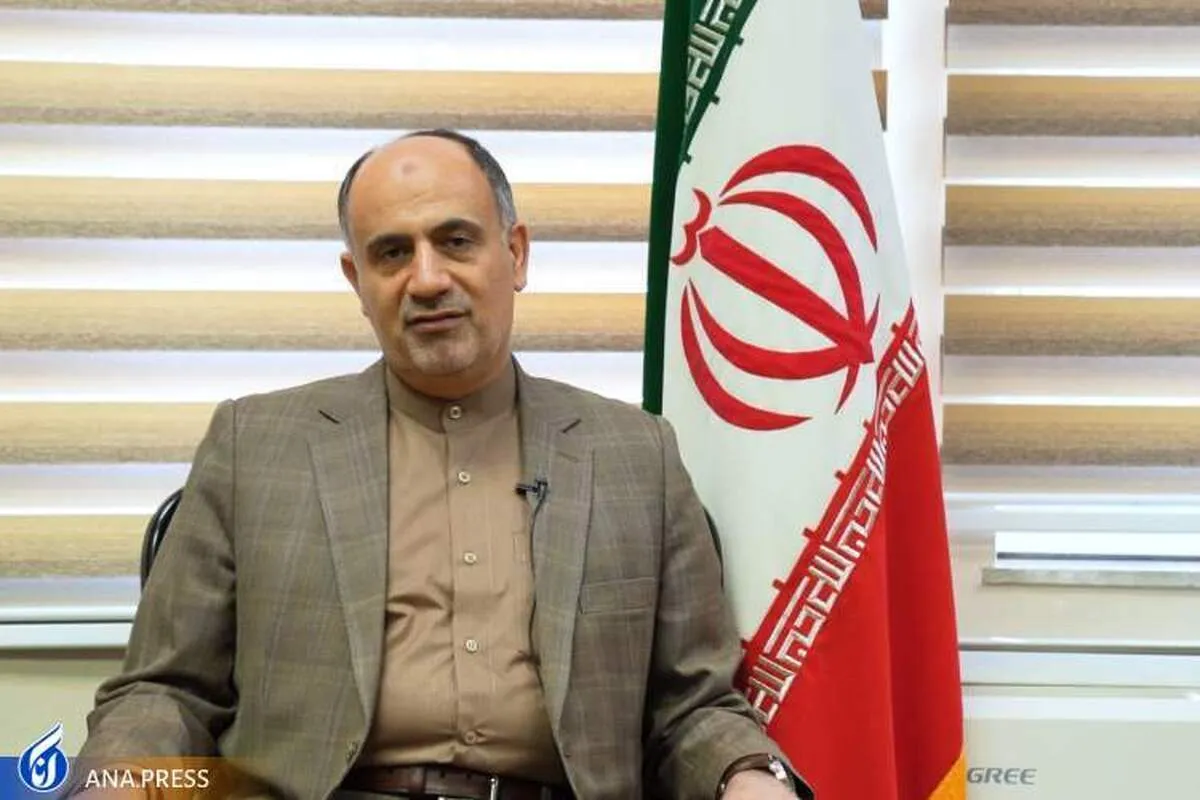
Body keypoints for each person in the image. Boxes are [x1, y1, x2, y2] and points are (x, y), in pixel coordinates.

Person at [69, 130, 811, 800]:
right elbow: (166, 691)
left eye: (456, 242)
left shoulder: (635, 456)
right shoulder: (255, 445)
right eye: (392, 253)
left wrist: (750, 778)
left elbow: (692, 708)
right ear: (357, 280)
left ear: (516, 254)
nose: (426, 280)